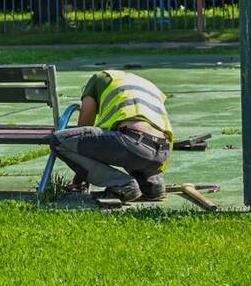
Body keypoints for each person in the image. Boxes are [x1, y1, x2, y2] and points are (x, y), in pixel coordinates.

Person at [49, 69, 172, 202]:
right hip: (162, 152)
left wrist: (79, 180)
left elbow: (84, 126)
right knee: (126, 142)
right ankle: (152, 185)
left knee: (59, 140)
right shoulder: (145, 85)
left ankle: (123, 184)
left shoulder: (97, 79)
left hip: (132, 143)